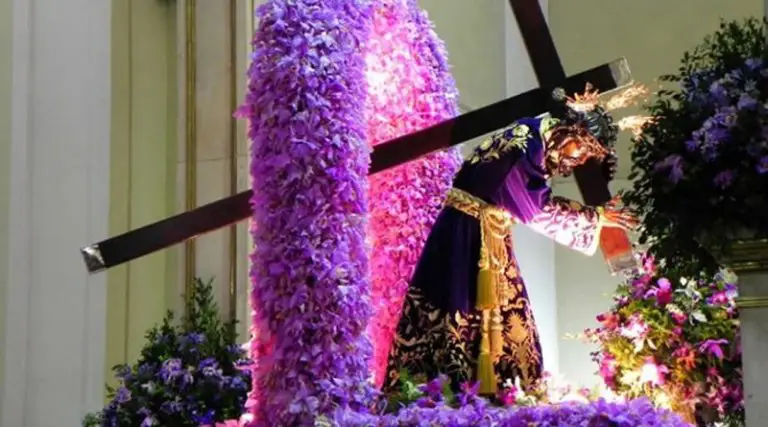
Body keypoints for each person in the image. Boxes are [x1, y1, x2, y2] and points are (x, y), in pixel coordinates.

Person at [383, 92, 636, 396]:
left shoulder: (530, 133)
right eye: (582, 150)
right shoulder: (526, 146)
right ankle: (468, 395)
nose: (579, 160)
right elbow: (537, 209)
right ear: (571, 131)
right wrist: (594, 217)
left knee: (500, 319)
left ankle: (492, 392)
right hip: (470, 238)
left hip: (479, 231)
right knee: (462, 313)